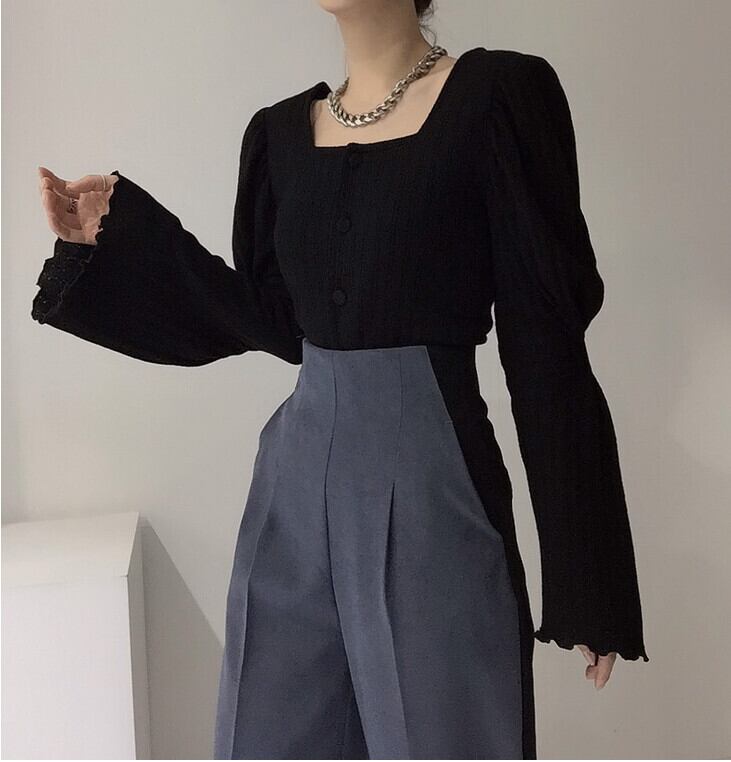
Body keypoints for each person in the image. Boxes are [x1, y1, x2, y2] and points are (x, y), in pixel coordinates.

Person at [33, 0, 648, 758]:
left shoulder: (495, 100)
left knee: (447, 738)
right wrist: (118, 236)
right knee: (267, 736)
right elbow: (271, 323)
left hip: (430, 485)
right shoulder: (279, 135)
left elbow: (544, 342)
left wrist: (587, 574)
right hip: (291, 490)